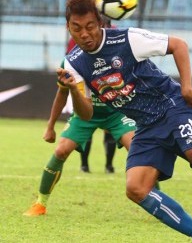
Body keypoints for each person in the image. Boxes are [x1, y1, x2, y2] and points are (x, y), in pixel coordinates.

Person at [57, 0, 192, 243]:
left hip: (172, 107)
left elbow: (179, 45)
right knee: (136, 188)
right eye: (76, 29)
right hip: (146, 126)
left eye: (89, 27)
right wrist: (73, 90)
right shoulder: (74, 62)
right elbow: (85, 112)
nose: (84, 34)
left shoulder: (127, 39)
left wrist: (186, 89)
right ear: (68, 27)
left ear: (99, 22)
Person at [22, 55, 136, 216]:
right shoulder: (71, 62)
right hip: (84, 115)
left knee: (137, 150)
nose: (86, 34)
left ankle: (154, 202)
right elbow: (62, 93)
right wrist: (50, 126)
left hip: (116, 113)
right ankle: (40, 203)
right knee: (60, 151)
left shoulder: (117, 52)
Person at [67, 15, 118, 174]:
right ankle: (84, 165)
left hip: (110, 87)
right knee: (86, 125)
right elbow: (70, 60)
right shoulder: (78, 36)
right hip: (87, 88)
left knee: (110, 130)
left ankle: (108, 165)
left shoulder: (116, 34)